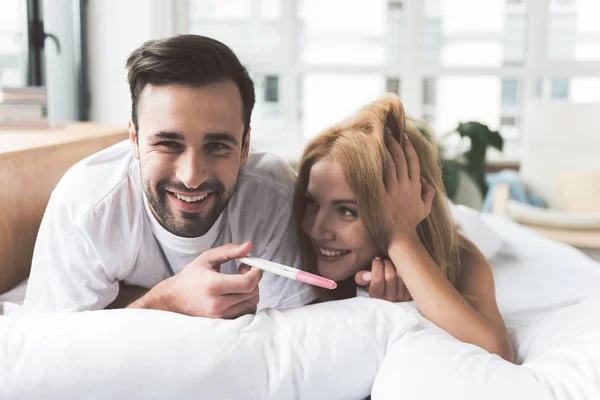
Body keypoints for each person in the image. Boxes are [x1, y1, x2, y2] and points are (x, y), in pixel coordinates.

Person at [23, 34, 317, 317]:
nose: (191, 177)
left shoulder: (272, 193)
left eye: (217, 146)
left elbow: (288, 336)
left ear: (245, 148)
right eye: (167, 144)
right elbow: (53, 349)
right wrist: (167, 300)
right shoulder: (84, 204)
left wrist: (128, 299)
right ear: (134, 139)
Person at [293, 94, 514, 362]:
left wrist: (401, 239)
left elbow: (498, 356)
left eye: (347, 211)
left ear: (405, 208)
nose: (317, 231)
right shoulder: (289, 245)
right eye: (313, 204)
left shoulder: (464, 259)